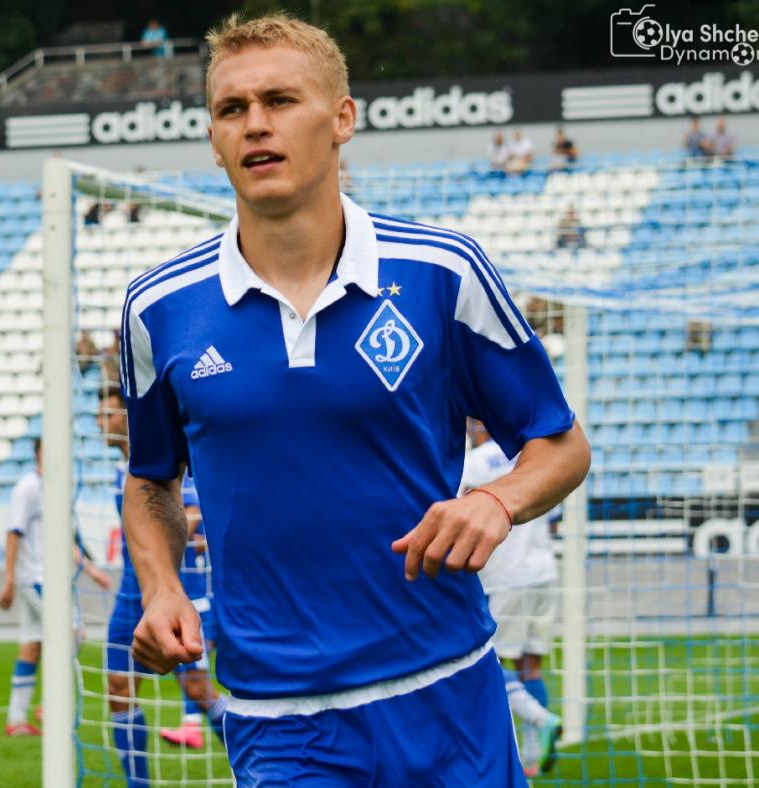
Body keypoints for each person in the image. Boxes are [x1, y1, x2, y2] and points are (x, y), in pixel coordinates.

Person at [118, 12, 590, 785]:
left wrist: (497, 501)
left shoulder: (443, 273)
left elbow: (561, 445)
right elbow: (149, 481)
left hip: (448, 693)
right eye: (232, 108)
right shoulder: (158, 309)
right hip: (280, 720)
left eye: (280, 100)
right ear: (213, 138)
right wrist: (163, 587)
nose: (256, 124)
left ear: (342, 119)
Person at [99, 384, 229, 785]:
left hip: (178, 592)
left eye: (109, 415)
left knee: (199, 691)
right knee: (118, 688)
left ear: (128, 418)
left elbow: (191, 512)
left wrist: (185, 533)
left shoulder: (166, 462)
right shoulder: (120, 472)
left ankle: (255, 763)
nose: (102, 423)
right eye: (98, 416)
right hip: (130, 594)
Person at [461, 420, 563, 777]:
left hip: (505, 577)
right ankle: (534, 753)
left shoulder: (477, 462)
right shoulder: (534, 458)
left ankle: (538, 722)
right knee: (531, 665)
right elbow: (554, 521)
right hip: (544, 571)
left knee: (495, 665)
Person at [0, 437, 111, 737]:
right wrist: (9, 579)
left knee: (32, 646)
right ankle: (50, 704)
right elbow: (13, 533)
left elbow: (63, 540)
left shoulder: (56, 490)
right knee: (72, 632)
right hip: (36, 578)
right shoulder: (28, 488)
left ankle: (16, 719)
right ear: (40, 454)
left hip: (50, 578)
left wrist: (91, 570)